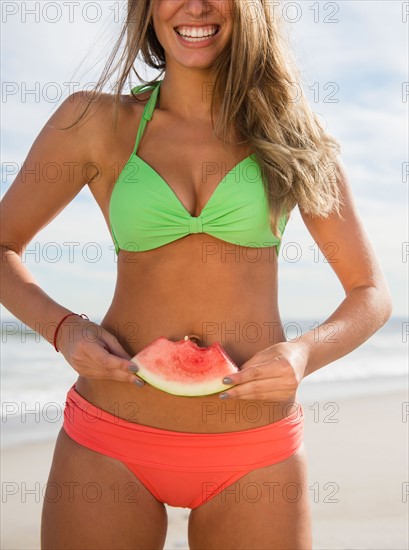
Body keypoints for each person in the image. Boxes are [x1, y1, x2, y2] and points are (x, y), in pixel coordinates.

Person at [0, 1, 393, 549]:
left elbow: (370, 294)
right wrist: (64, 329)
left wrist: (304, 353)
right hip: (111, 439)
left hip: (254, 451)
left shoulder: (292, 133)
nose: (196, 7)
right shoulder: (94, 122)